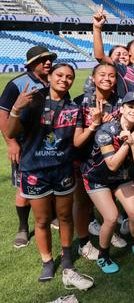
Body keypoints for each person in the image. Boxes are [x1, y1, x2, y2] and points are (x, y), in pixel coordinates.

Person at [7, 63, 94, 289]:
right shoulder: (33, 100)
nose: (64, 80)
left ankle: (66, 257)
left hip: (62, 169)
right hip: (35, 170)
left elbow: (75, 141)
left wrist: (93, 126)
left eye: (69, 77)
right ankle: (47, 260)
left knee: (65, 217)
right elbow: (11, 132)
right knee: (43, 220)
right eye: (60, 75)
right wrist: (16, 109)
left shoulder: (74, 108)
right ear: (50, 76)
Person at [80, 92, 134, 273]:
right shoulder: (106, 131)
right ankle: (103, 256)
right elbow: (111, 165)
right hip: (97, 178)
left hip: (122, 177)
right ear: (122, 109)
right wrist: (128, 142)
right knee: (111, 217)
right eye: (131, 107)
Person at [73, 63, 129, 261]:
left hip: (109, 162)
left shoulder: (121, 102)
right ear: (94, 78)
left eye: (112, 75)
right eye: (102, 75)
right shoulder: (80, 102)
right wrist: (96, 124)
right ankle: (83, 243)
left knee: (107, 203)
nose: (107, 78)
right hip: (84, 161)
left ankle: (109, 231)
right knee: (82, 204)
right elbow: (77, 140)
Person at [0, 45, 52, 249]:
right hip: (26, 145)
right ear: (30, 64)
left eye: (49, 59)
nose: (47, 62)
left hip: (49, 143)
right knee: (24, 187)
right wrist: (11, 143)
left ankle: (53, 216)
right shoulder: (17, 84)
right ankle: (23, 228)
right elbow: (3, 115)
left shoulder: (53, 80)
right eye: (42, 60)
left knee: (51, 182)